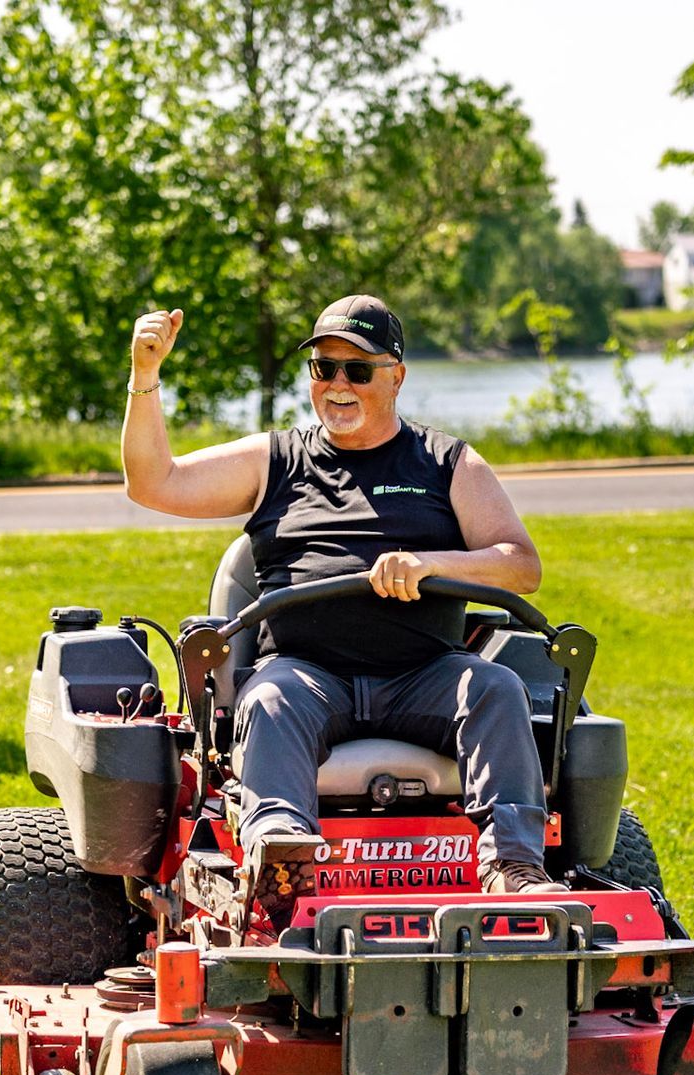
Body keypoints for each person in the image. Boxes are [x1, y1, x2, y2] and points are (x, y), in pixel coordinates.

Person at [120, 295, 560, 893]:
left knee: (496, 687)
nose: (337, 385)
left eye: (358, 370)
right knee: (268, 698)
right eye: (323, 369)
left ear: (397, 376)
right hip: (305, 676)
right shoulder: (274, 460)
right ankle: (281, 861)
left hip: (422, 674)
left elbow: (520, 566)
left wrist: (428, 564)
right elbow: (154, 483)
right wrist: (146, 378)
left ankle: (515, 869)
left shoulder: (447, 462)